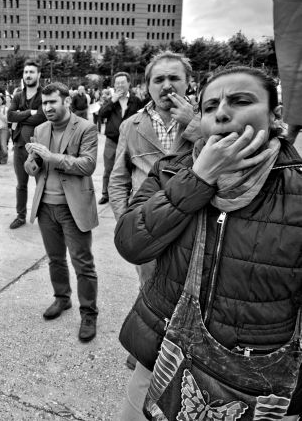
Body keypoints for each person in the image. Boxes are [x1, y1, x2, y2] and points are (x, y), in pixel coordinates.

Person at [116, 65, 302, 420]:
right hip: (164, 353)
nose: (222, 113)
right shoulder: (172, 170)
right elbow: (131, 242)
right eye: (211, 106)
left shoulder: (296, 187)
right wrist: (200, 177)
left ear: (274, 115)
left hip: (251, 380)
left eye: (240, 101)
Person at [108, 51, 200, 286]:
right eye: (159, 80)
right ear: (148, 86)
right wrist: (126, 221)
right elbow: (118, 180)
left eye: (174, 78)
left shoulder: (207, 119)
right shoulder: (131, 125)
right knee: (149, 290)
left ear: (188, 82)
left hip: (194, 227)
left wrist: (193, 123)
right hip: (148, 228)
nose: (167, 85)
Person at [24, 82, 99, 341]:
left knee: (82, 263)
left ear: (66, 101)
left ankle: (89, 313)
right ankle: (62, 297)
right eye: (44, 103)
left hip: (73, 207)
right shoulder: (40, 129)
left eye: (52, 102)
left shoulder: (86, 128)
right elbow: (33, 170)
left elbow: (88, 165)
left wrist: (51, 156)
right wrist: (32, 160)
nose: (47, 107)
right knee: (55, 259)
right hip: (46, 206)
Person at [7, 60, 47, 229]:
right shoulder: (18, 96)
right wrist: (29, 112)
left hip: (39, 148)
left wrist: (21, 115)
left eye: (31, 72)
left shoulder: (44, 95)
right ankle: (20, 216)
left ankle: (45, 217)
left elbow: (41, 117)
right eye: (26, 72)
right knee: (21, 185)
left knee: (41, 184)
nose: (28, 75)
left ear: (38, 75)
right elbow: (10, 116)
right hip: (19, 146)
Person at [97, 72, 144, 205]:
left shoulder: (136, 101)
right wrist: (112, 101)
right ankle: (105, 194)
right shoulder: (110, 101)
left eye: (122, 82)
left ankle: (127, 194)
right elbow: (101, 114)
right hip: (112, 140)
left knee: (130, 168)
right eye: (117, 83)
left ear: (129, 83)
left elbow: (142, 118)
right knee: (108, 168)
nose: (120, 85)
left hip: (130, 140)